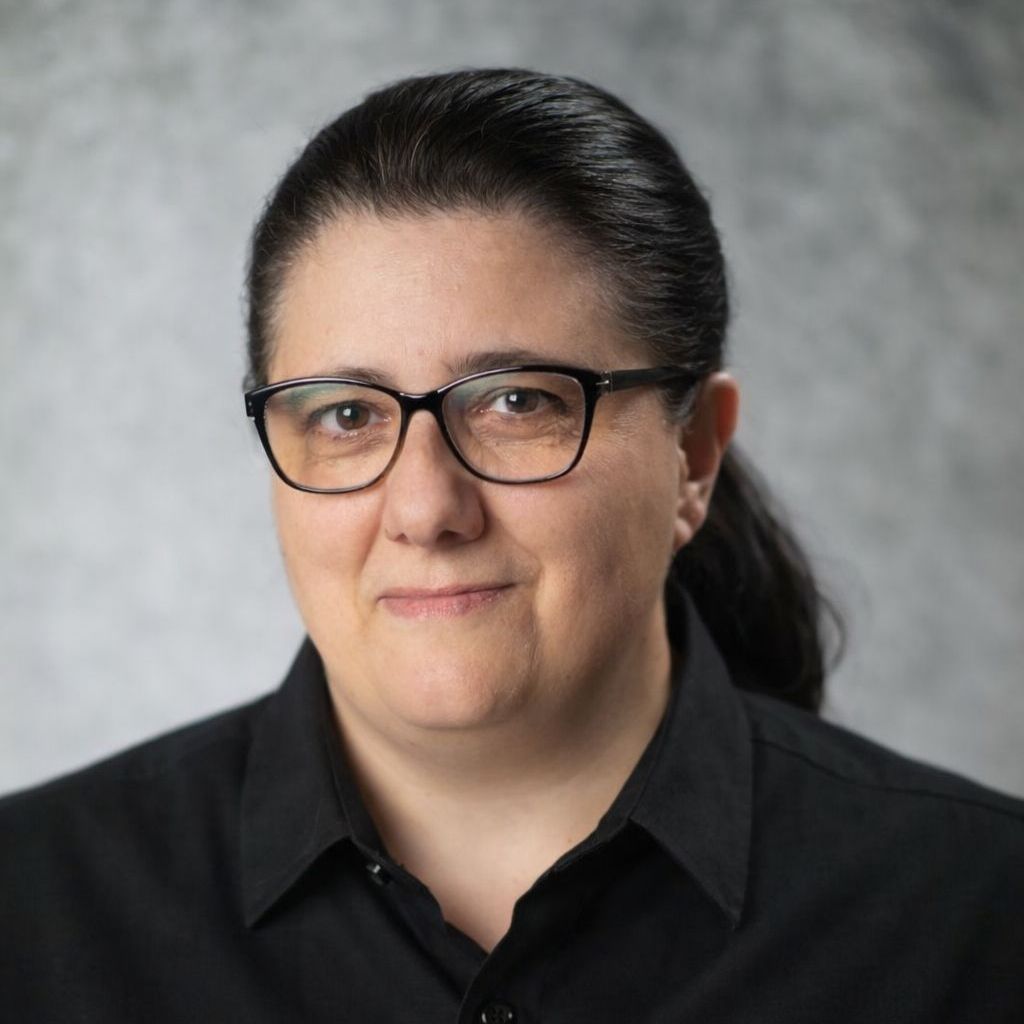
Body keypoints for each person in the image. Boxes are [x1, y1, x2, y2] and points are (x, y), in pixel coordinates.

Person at [1, 68, 1021, 1022]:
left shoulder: (979, 917)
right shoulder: (34, 909)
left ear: (694, 456)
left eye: (516, 401)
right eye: (347, 416)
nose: (424, 507)